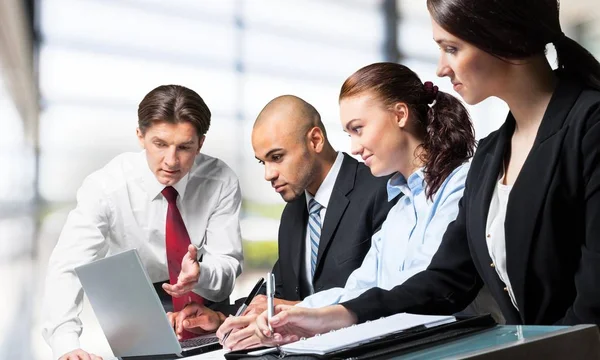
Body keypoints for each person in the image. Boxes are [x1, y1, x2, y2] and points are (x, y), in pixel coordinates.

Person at [254, 0, 600, 345]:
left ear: (502, 35)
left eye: (451, 48)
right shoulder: (491, 154)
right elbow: (445, 280)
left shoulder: (590, 126)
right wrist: (333, 316)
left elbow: (592, 305)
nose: (440, 70)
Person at [167, 95, 396, 350]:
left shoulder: (381, 188)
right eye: (262, 161)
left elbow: (390, 293)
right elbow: (277, 295)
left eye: (276, 157)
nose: (268, 174)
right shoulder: (294, 211)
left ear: (315, 140)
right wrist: (222, 318)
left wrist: (297, 309)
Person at [41, 85, 244, 360]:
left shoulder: (221, 180)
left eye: (185, 147)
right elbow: (68, 265)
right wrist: (66, 345)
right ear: (140, 136)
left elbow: (226, 267)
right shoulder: (106, 187)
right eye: (159, 144)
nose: (171, 161)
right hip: (136, 301)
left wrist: (201, 275)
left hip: (204, 298)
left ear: (201, 143)